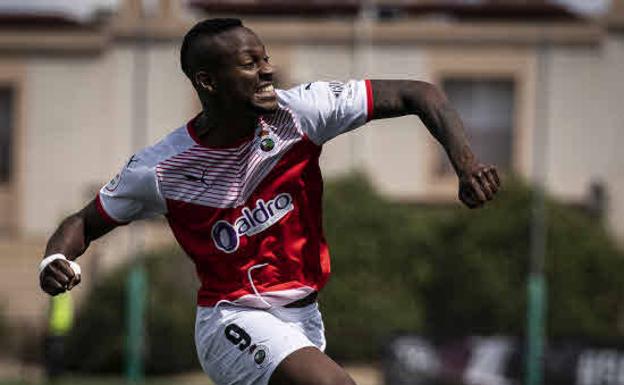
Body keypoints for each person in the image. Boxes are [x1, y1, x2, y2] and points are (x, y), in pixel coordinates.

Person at [38, 18, 500, 385]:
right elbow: (82, 222)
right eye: (248, 63)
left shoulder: (301, 113)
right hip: (232, 319)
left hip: (304, 320)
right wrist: (54, 258)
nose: (266, 70)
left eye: (265, 58)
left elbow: (422, 93)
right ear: (209, 81)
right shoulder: (160, 168)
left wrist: (467, 164)